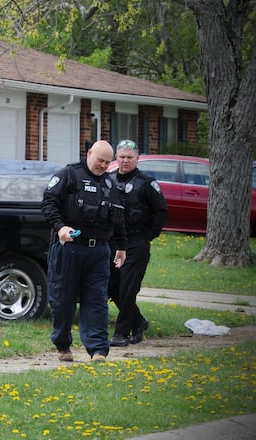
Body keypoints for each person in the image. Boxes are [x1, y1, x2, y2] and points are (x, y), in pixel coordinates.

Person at [41, 140, 127, 362]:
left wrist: (121, 247)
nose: (103, 166)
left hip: (99, 252)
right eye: (100, 160)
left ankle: (98, 350)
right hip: (68, 249)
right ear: (89, 154)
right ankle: (62, 345)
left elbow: (118, 219)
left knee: (97, 300)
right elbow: (48, 204)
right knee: (63, 300)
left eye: (108, 163)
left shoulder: (110, 185)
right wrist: (60, 227)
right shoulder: (68, 175)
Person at [107, 140, 168, 346]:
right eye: (121, 157)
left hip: (136, 242)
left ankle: (121, 333)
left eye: (129, 157)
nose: (125, 161)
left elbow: (161, 212)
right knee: (112, 286)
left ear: (137, 158)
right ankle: (138, 322)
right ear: (116, 158)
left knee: (128, 287)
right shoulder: (108, 180)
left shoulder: (147, 183)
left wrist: (147, 237)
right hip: (113, 243)